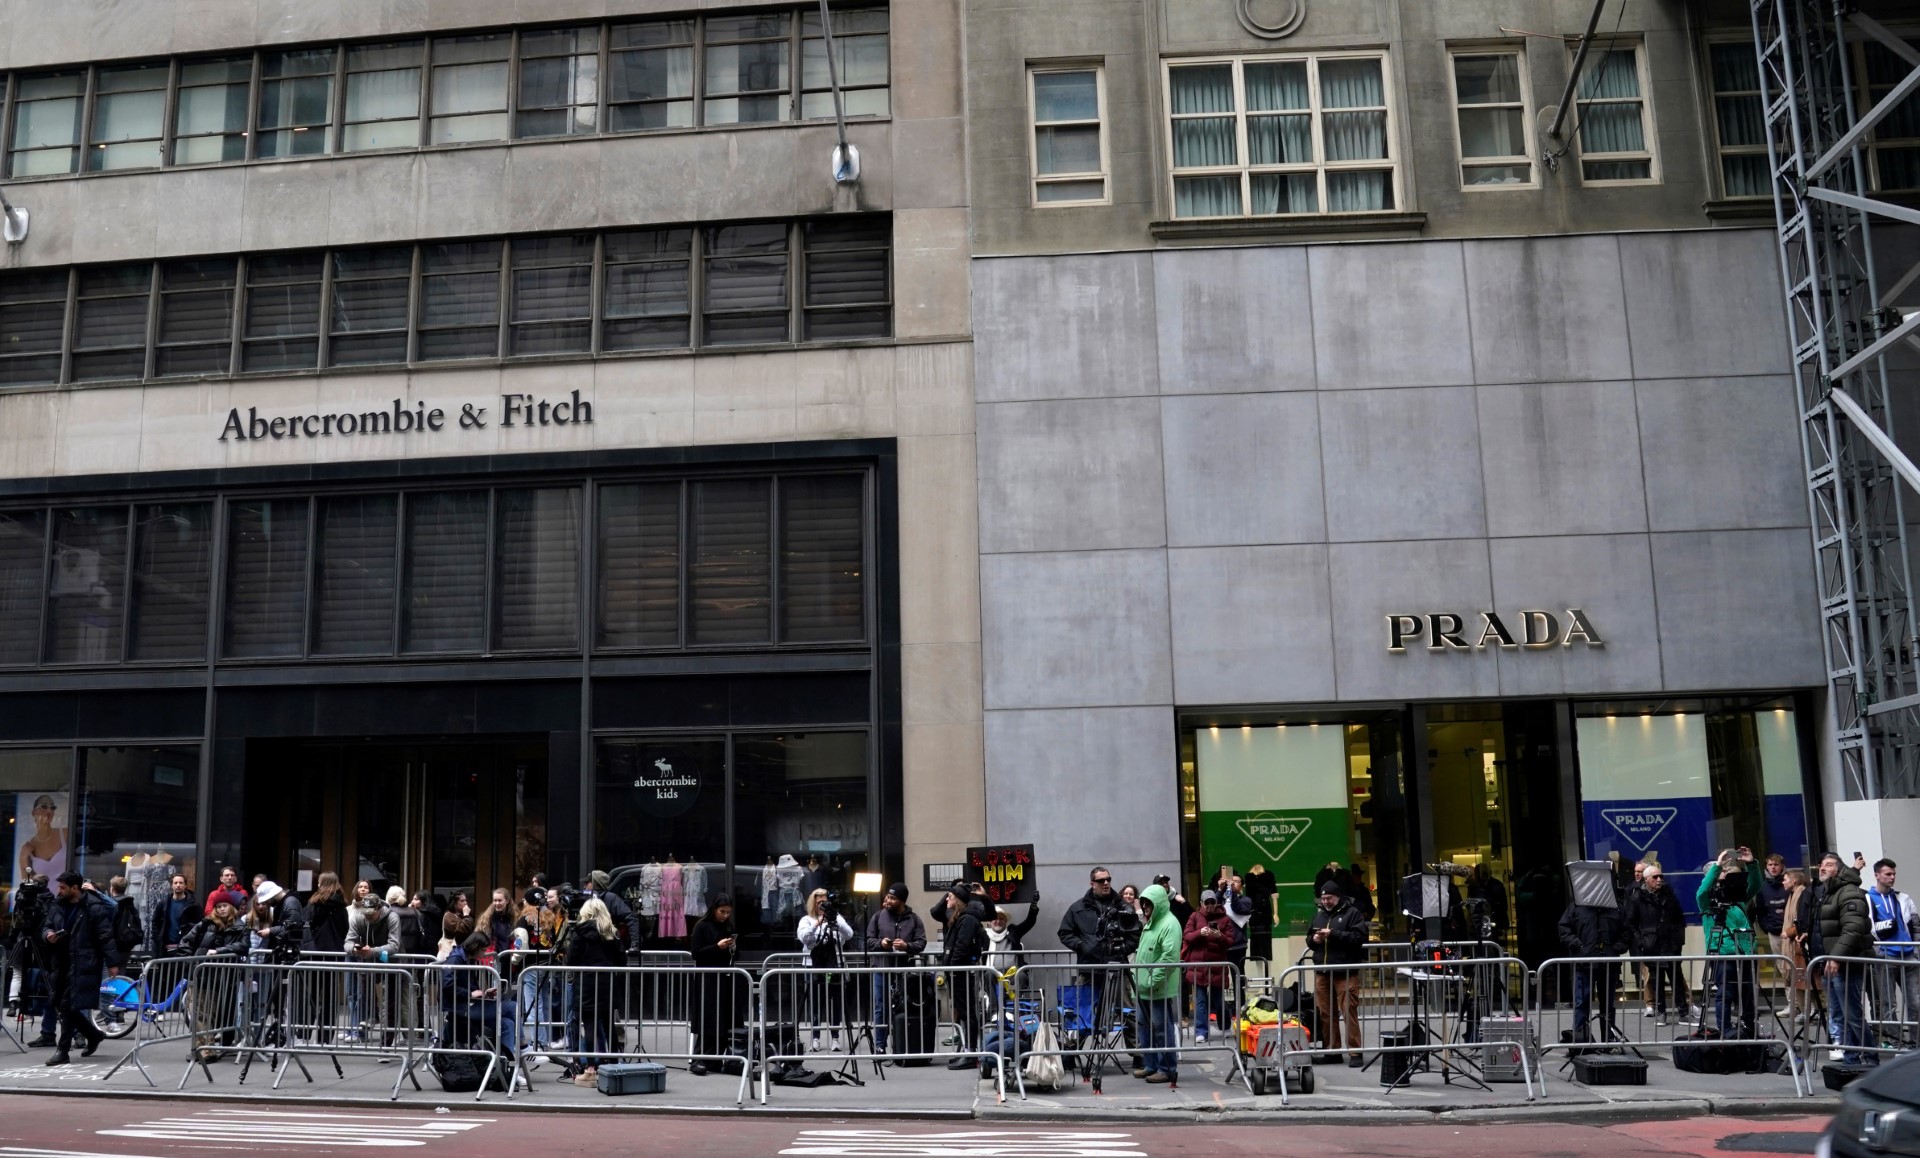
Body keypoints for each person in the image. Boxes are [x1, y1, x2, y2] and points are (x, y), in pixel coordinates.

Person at [1057, 866, 1142, 1073]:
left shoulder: (1123, 907)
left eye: (1109, 880)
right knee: (1081, 1010)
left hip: (1117, 966)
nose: (1106, 883)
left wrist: (1124, 949)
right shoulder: (1078, 908)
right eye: (1101, 880)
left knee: (1127, 1010)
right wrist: (1082, 946)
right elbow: (1065, 932)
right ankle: (1071, 1051)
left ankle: (1139, 1053)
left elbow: (1135, 932)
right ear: (1092, 883)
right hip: (1089, 967)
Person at [39, 871, 118, 1065]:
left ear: (75, 888)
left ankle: (63, 1050)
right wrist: (48, 934)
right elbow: (47, 925)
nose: (59, 890)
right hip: (61, 960)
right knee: (59, 1002)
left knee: (67, 1005)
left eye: (63, 887)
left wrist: (112, 962)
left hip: (83, 961)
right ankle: (93, 1034)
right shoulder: (58, 904)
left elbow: (105, 935)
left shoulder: (93, 906)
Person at [1815, 852, 1874, 1064]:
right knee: (1842, 1014)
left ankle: (1869, 1056)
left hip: (1846, 963)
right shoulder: (1828, 892)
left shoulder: (1849, 892)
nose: (1822, 868)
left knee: (1852, 1014)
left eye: (1828, 865)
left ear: (1839, 870)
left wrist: (1836, 957)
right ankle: (1851, 1058)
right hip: (1830, 963)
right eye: (1822, 864)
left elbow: (1853, 928)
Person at [1698, 848, 1763, 1036]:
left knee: (1748, 994)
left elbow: (1756, 885)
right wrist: (1718, 865)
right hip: (1723, 952)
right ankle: (1725, 1029)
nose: (1726, 873)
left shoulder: (1737, 899)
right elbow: (1703, 890)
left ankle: (1750, 1028)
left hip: (1745, 950)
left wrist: (1751, 864)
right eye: (1722, 872)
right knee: (1726, 993)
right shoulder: (1707, 901)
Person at [564, 896, 624, 1085]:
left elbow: (571, 959)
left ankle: (590, 1069)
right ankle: (614, 1065)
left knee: (589, 1024)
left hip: (586, 983)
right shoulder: (610, 933)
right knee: (608, 1025)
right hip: (607, 983)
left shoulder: (579, 933)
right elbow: (621, 960)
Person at [1307, 880, 1367, 1065]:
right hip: (1323, 971)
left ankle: (1355, 1052)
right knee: (1326, 1012)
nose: (1325, 901)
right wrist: (1314, 939)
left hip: (1345, 971)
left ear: (1338, 897)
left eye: (1329, 898)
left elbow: (1359, 938)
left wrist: (1333, 934)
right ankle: (1332, 1050)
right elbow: (1309, 939)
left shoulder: (1352, 913)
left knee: (1349, 1010)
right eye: (1323, 898)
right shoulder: (1319, 915)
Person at [1557, 885, 1628, 1043]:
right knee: (1582, 1004)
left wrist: (1616, 948)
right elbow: (1564, 928)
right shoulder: (1577, 906)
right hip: (1584, 963)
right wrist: (1578, 946)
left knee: (1607, 1005)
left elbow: (1627, 931)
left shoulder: (1615, 907)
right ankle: (1580, 1040)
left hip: (1608, 963)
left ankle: (1608, 1040)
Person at [865, 882, 927, 1054]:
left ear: (902, 901)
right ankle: (879, 1046)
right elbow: (868, 940)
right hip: (882, 969)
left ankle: (904, 1045)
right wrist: (881, 943)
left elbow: (921, 943)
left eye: (892, 898)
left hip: (904, 972)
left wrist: (907, 946)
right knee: (881, 1007)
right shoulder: (878, 916)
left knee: (905, 1007)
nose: (888, 900)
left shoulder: (914, 919)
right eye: (887, 897)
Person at [1623, 863, 1687, 1024]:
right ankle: (1661, 1012)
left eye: (1661, 876)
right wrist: (1642, 941)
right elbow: (1631, 923)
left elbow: (1679, 918)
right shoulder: (1637, 897)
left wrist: (1678, 940)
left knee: (1676, 978)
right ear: (1646, 879)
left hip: (1670, 944)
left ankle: (1684, 1012)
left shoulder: (1669, 894)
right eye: (1655, 877)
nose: (1659, 880)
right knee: (1656, 980)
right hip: (1652, 944)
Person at [795, 887, 856, 1054]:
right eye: (819, 902)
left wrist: (835, 919)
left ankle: (835, 1038)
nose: (823, 905)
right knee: (815, 1001)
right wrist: (817, 923)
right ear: (813, 903)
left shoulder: (836, 918)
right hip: (812, 965)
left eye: (825, 902)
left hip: (834, 964)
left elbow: (849, 934)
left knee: (835, 1000)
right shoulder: (806, 920)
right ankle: (815, 1038)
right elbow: (805, 939)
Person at [1133, 882, 1182, 1085]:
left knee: (1161, 1027)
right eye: (1143, 904)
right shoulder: (1152, 922)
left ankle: (1166, 1068)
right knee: (1146, 1026)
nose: (1145, 908)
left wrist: (1153, 981)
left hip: (1157, 987)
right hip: (1145, 986)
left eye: (1148, 904)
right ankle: (1152, 1064)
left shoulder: (1169, 924)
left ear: (1159, 903)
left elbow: (1169, 958)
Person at [688, 894, 742, 1074]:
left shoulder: (727, 926)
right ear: (714, 910)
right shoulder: (702, 926)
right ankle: (700, 1058)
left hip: (725, 976)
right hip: (708, 978)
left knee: (725, 1017)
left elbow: (735, 955)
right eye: (722, 911)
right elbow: (696, 953)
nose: (725, 915)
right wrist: (716, 947)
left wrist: (732, 947)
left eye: (728, 912)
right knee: (708, 1017)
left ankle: (716, 1058)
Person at [1867, 858, 1918, 1047]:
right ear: (1877, 875)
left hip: (1909, 955)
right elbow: (1868, 928)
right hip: (1886, 955)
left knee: (1916, 1001)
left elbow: (1916, 923)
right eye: (1888, 874)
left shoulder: (1903, 898)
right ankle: (1894, 1042)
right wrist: (1878, 950)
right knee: (1889, 1004)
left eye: (1894, 873)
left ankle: (1915, 1041)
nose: (1892, 877)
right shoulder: (1868, 898)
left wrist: (1916, 948)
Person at [940, 883, 989, 1069]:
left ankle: (970, 1053)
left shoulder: (967, 919)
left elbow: (961, 945)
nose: (946, 899)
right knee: (963, 1011)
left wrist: (952, 967)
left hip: (960, 972)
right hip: (956, 972)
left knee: (968, 1012)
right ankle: (967, 1050)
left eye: (950, 896)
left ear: (958, 900)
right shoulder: (959, 918)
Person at [1181, 890, 1235, 1045]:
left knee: (1219, 1001)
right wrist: (1200, 933)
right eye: (1207, 902)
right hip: (1199, 966)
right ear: (1201, 904)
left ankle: (1225, 1027)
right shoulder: (1194, 916)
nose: (1210, 905)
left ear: (1216, 903)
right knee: (1200, 1001)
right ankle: (1201, 1032)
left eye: (1213, 902)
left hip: (1217, 965)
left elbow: (1231, 941)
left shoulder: (1224, 919)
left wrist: (1220, 936)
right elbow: (1187, 936)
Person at [1781, 868, 1816, 1026]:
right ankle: (1804, 1011)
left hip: (1799, 944)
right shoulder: (1792, 895)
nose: (1783, 882)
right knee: (1798, 980)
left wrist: (1789, 932)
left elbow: (1802, 919)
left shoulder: (1802, 895)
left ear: (1794, 881)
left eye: (1785, 879)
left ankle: (1812, 1010)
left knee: (1804, 979)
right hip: (1792, 944)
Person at [17, 795, 67, 883]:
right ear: (33, 812)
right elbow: (26, 880)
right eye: (44, 807)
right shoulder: (29, 846)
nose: (49, 811)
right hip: (41, 896)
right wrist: (23, 858)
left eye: (52, 808)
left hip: (65, 896)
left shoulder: (65, 834)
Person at [148, 874, 199, 957]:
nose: (178, 885)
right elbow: (155, 923)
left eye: (181, 883)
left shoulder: (193, 906)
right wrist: (158, 940)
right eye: (175, 883)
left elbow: (198, 926)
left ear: (185, 885)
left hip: (185, 948)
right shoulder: (163, 904)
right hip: (165, 948)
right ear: (171, 885)